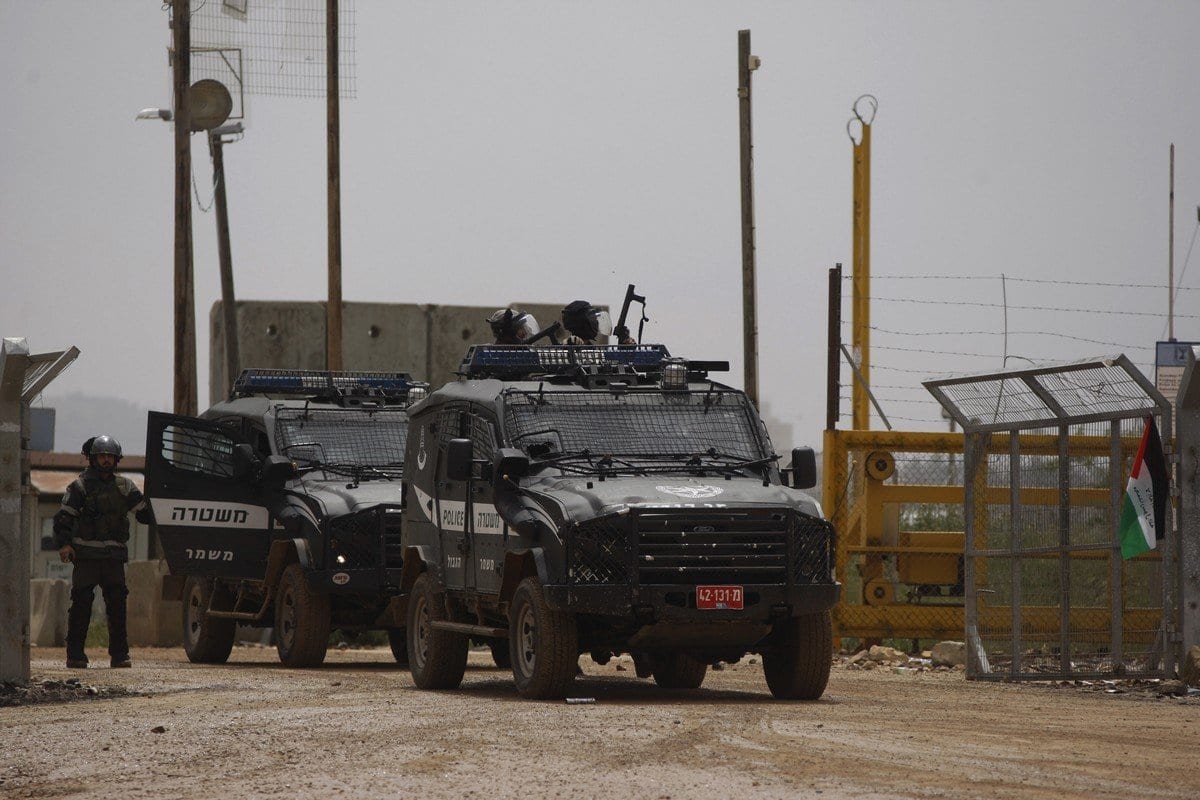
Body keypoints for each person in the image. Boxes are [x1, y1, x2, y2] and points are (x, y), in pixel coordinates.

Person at [54, 435, 153, 669]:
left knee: (117, 606)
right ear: (93, 458)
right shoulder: (79, 487)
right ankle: (75, 655)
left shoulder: (125, 486)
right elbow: (63, 518)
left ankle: (120, 656)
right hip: (86, 557)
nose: (106, 460)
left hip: (114, 558)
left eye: (110, 456)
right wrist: (64, 544)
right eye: (102, 456)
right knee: (81, 605)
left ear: (116, 459)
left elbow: (144, 513)